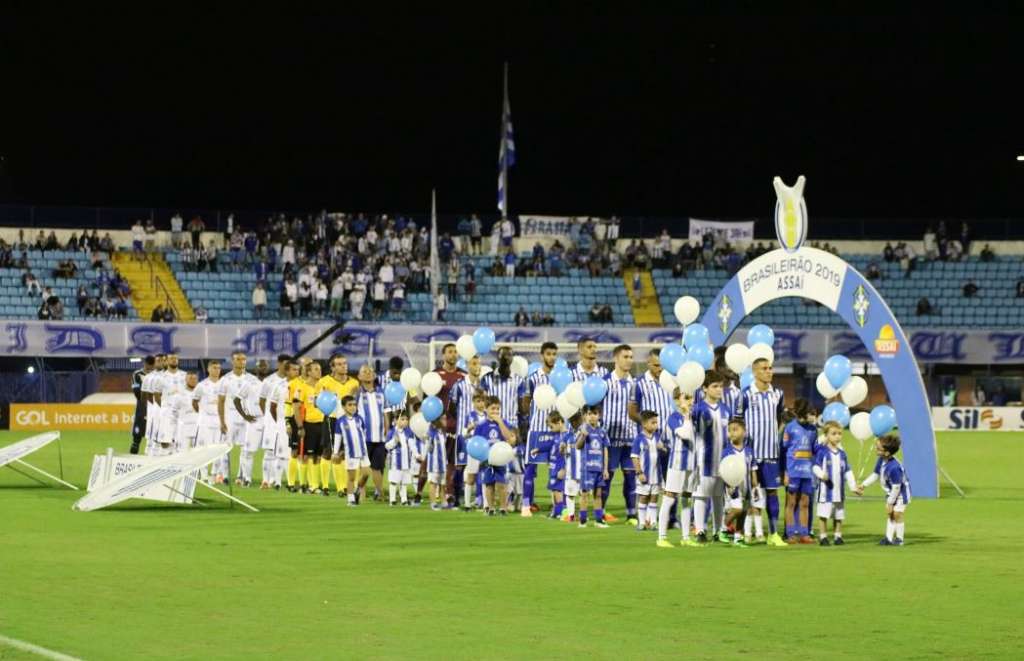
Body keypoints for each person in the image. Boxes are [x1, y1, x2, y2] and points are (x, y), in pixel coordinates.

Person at [741, 357, 787, 547]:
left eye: (770, 368)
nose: (769, 371)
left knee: (772, 493)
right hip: (750, 454)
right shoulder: (745, 395)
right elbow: (737, 421)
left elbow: (779, 418)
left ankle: (773, 533)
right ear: (755, 372)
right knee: (748, 494)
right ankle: (744, 531)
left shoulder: (778, 393)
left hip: (771, 454)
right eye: (764, 368)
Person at [692, 371, 731, 544]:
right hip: (703, 460)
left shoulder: (725, 410)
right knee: (701, 495)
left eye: (720, 386)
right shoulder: (698, 409)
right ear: (704, 389)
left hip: (722, 461)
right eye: (714, 386)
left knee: (718, 497)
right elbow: (693, 434)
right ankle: (700, 529)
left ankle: (718, 530)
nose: (719, 390)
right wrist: (695, 459)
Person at [521, 342, 559, 514]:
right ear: (542, 356)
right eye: (549, 354)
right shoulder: (533, 377)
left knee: (557, 468)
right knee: (530, 468)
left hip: (555, 430)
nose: (552, 357)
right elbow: (525, 402)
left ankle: (558, 506)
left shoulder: (560, 377)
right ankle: (526, 505)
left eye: (554, 354)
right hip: (536, 429)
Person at [657, 389, 698, 547]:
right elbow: (686, 435)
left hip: (692, 463)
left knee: (687, 499)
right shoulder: (673, 418)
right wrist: (687, 415)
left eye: (691, 397)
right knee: (669, 498)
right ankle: (661, 537)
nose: (691, 401)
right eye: (686, 398)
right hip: (677, 463)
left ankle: (686, 537)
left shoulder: (694, 418)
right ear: (676, 401)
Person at [317, 355, 360, 496]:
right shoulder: (324, 382)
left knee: (345, 454)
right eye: (340, 364)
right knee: (329, 452)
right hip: (331, 419)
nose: (344, 366)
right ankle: (325, 486)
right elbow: (316, 402)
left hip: (348, 421)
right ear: (333, 367)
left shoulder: (354, 383)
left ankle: (344, 487)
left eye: (345, 363)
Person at [860, 434, 912, 545]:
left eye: (878, 449)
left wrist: (890, 502)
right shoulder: (881, 460)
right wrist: (864, 485)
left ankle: (899, 539)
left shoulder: (894, 468)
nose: (876, 450)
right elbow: (875, 474)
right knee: (890, 514)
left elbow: (897, 487)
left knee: (897, 514)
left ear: (887, 453)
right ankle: (888, 538)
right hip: (891, 492)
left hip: (901, 493)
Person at [812, 421, 858, 546]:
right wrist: (822, 474)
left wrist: (853, 486)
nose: (837, 436)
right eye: (833, 434)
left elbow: (847, 470)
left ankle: (838, 536)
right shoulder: (823, 452)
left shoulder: (842, 454)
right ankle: (823, 537)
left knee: (839, 515)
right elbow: (815, 467)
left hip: (839, 490)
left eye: (839, 434)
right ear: (826, 435)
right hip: (825, 491)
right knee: (823, 514)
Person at [433, 343, 467, 507]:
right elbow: (429, 401)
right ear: (443, 355)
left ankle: (454, 493)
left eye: (455, 352)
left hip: (459, 425)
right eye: (450, 352)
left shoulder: (463, 376)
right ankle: (440, 493)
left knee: (457, 462)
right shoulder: (435, 375)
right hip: (440, 425)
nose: (453, 355)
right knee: (440, 462)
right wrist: (436, 420)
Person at [782, 398, 818, 544]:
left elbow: (814, 450)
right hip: (793, 471)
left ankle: (804, 534)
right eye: (804, 414)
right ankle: (790, 533)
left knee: (805, 502)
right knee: (791, 503)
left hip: (807, 472)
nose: (807, 418)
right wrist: (785, 472)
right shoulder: (790, 428)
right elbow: (785, 450)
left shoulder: (813, 430)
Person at [451, 357, 485, 510]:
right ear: (466, 365)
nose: (477, 366)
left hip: (480, 436)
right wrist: (463, 424)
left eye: (479, 363)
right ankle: (457, 498)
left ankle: (479, 499)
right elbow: (451, 406)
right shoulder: (459, 385)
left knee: (480, 468)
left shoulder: (484, 386)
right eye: (474, 363)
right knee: (460, 466)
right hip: (463, 433)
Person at [476, 395, 518, 516]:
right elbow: (477, 442)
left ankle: (503, 508)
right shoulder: (481, 425)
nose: (495, 411)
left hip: (501, 458)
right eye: (492, 408)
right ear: (486, 409)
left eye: (497, 409)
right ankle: (490, 507)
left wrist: (500, 422)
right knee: (489, 484)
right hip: (487, 458)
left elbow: (509, 438)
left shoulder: (503, 423)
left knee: (501, 484)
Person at [721, 416, 757, 547]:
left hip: (746, 487)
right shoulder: (727, 451)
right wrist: (728, 485)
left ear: (744, 432)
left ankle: (738, 537)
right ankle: (723, 527)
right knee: (737, 509)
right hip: (733, 487)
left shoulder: (749, 451)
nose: (732, 433)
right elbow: (724, 469)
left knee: (743, 513)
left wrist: (755, 486)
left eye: (735, 430)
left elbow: (753, 469)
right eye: (730, 430)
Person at [258, 355, 293, 489]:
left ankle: (276, 480)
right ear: (279, 364)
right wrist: (268, 417)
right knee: (269, 452)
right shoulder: (269, 381)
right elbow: (261, 401)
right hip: (271, 421)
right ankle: (266, 480)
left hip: (283, 421)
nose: (286, 367)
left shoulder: (292, 382)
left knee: (285, 451)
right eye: (284, 364)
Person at [215, 351, 250, 483]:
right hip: (230, 418)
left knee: (245, 448)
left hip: (246, 419)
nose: (241, 362)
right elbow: (221, 401)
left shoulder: (250, 379)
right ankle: (225, 476)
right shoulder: (225, 380)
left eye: (244, 359)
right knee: (226, 447)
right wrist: (222, 421)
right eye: (238, 359)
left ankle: (241, 476)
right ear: (232, 361)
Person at [234, 360, 269, 486]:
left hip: (267, 420)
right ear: (255, 369)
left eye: (265, 366)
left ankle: (266, 480)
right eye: (260, 366)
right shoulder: (249, 383)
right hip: (253, 420)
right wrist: (245, 415)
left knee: (269, 451)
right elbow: (237, 400)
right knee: (249, 451)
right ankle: (247, 478)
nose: (263, 368)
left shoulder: (271, 383)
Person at [574, 405, 610, 528]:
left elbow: (605, 450)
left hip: (599, 468)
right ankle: (582, 521)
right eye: (589, 414)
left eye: (594, 413)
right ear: (585, 416)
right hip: (586, 468)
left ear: (599, 416)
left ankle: (598, 520)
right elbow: (578, 446)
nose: (592, 416)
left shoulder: (602, 432)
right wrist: (583, 436)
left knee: (598, 494)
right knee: (584, 494)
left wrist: (605, 469)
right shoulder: (582, 429)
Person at [293, 361, 326, 494]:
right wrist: (300, 426)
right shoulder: (301, 388)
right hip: (308, 424)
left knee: (318, 456)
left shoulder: (322, 388)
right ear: (309, 372)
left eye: (319, 369)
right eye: (316, 369)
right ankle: (304, 485)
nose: (319, 371)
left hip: (321, 424)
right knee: (306, 456)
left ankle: (314, 485)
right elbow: (295, 408)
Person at [357, 364, 388, 500]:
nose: (368, 373)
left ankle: (380, 495)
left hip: (380, 437)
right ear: (359, 376)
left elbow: (386, 413)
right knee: (365, 469)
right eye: (365, 371)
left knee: (377, 467)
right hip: (364, 437)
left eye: (370, 371)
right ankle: (360, 491)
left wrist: (387, 430)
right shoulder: (357, 393)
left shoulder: (381, 392)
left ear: (375, 375)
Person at [630, 411, 664, 531]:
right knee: (643, 498)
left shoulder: (657, 437)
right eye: (653, 423)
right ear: (644, 424)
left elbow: (662, 449)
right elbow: (635, 457)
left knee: (654, 497)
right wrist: (639, 472)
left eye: (656, 423)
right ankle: (642, 522)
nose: (656, 425)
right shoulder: (639, 439)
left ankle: (653, 522)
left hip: (656, 475)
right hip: (645, 475)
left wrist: (663, 448)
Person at [334, 395, 370, 505]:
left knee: (366, 474)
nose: (353, 407)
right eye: (350, 405)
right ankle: (350, 499)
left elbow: (363, 434)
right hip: (351, 453)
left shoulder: (359, 419)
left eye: (354, 405)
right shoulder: (340, 421)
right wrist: (335, 453)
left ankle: (357, 490)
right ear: (344, 407)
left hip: (363, 452)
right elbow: (338, 438)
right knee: (351, 477)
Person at [191, 360, 223, 481]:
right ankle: (203, 474)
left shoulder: (223, 385)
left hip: (218, 422)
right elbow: (194, 402)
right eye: (214, 368)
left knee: (217, 449)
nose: (217, 370)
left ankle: (215, 474)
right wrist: (202, 413)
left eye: (219, 368)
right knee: (204, 449)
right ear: (209, 369)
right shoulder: (202, 385)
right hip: (205, 422)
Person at [544, 411, 571, 520]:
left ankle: (560, 513)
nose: (550, 429)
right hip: (554, 467)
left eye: (551, 426)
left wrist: (564, 468)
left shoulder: (567, 436)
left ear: (559, 422)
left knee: (558, 491)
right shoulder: (556, 435)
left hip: (561, 468)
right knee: (555, 490)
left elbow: (568, 455)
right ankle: (557, 512)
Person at [384, 411, 415, 505]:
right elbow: (387, 446)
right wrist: (394, 441)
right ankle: (392, 499)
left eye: (406, 419)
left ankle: (404, 499)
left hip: (406, 461)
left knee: (404, 481)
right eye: (402, 419)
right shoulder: (391, 432)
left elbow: (412, 445)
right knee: (394, 481)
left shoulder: (409, 432)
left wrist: (415, 455)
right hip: (395, 461)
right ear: (395, 420)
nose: (405, 421)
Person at [129, 355, 155, 454]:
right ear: (145, 364)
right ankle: (132, 462)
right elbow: (136, 391)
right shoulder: (137, 374)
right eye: (149, 365)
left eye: (152, 366)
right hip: (142, 408)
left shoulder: (157, 375)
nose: (150, 368)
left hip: (155, 409)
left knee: (154, 440)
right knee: (136, 440)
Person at [426, 417, 448, 510]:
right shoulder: (431, 432)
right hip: (433, 463)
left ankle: (444, 502)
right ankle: (433, 503)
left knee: (442, 483)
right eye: (443, 419)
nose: (445, 421)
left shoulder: (442, 432)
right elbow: (429, 448)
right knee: (433, 483)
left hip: (442, 462)